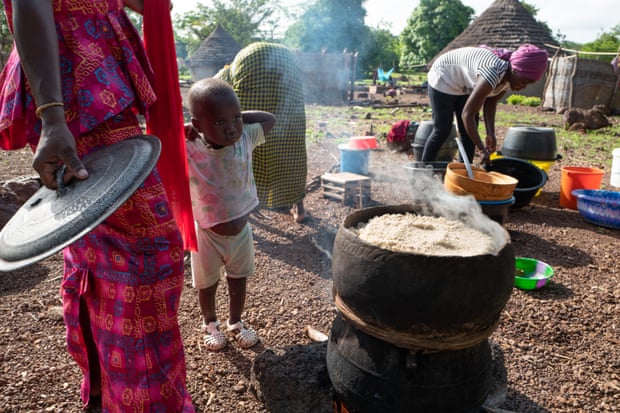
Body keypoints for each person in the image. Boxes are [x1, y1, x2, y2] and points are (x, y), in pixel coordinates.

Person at [0, 1, 195, 411]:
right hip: (74, 83)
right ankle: (144, 402)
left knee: (100, 250)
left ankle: (109, 391)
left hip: (97, 74)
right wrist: (52, 117)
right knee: (149, 257)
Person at [184, 78, 275, 351]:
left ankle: (236, 322)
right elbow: (160, 135)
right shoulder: (189, 147)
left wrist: (236, 117)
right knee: (206, 284)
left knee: (239, 279)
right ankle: (210, 323)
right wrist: (186, 129)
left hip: (242, 232)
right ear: (198, 125)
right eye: (219, 122)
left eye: (235, 118)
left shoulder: (245, 137)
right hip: (207, 233)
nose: (231, 128)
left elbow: (269, 119)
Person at [214, 42, 308, 222]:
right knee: (291, 141)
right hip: (289, 68)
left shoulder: (225, 74)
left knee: (250, 147)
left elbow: (216, 94)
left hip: (251, 67)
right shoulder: (282, 54)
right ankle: (299, 207)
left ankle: (246, 208)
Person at [421, 44, 549, 164]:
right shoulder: (493, 72)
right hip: (445, 75)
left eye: (527, 84)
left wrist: (490, 133)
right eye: (522, 81)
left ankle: (463, 173)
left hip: (464, 81)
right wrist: (481, 150)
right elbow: (467, 115)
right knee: (443, 129)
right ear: (514, 70)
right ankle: (422, 170)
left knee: (469, 132)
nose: (523, 87)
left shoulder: (509, 78)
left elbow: (491, 102)